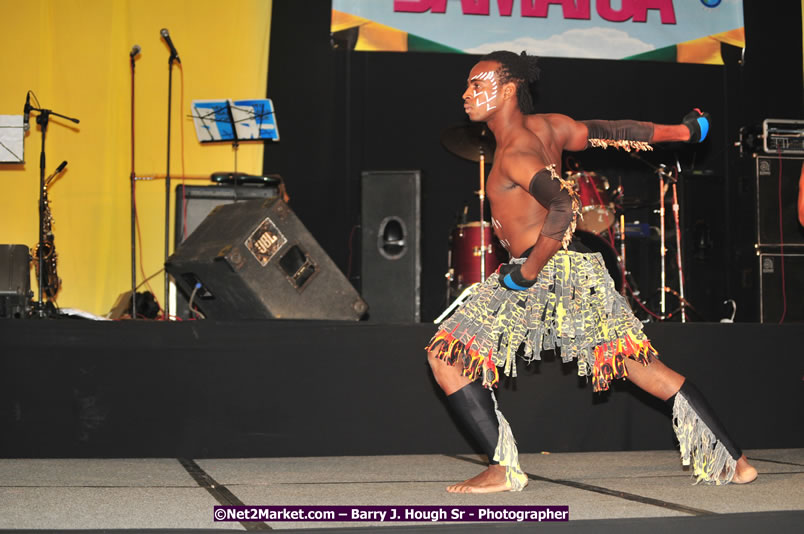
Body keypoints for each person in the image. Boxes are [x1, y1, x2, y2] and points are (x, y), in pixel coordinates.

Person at [426, 51, 757, 494]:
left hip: (545, 270)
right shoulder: (549, 126)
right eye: (466, 85)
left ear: (507, 90)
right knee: (642, 368)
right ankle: (735, 461)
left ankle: (503, 468)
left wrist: (528, 272)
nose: (465, 94)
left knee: (446, 355)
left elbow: (564, 204)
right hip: (576, 269)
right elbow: (609, 130)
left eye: (476, 84)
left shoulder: (515, 152)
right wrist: (684, 131)